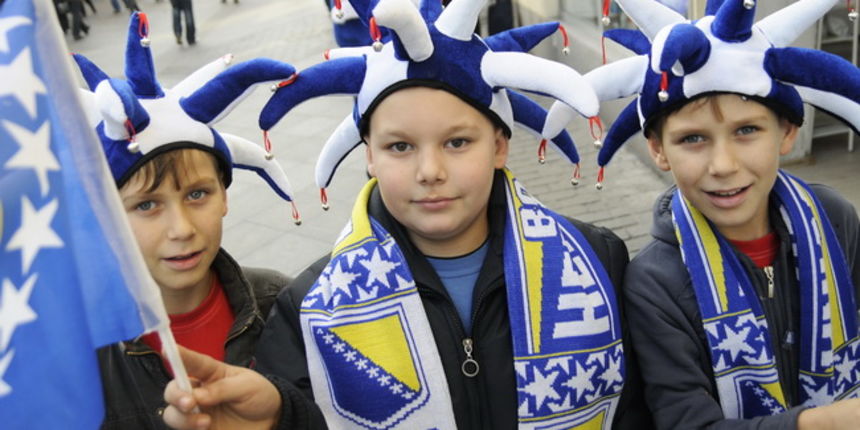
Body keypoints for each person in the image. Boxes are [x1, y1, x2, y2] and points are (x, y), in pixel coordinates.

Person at [163, 0, 654, 429]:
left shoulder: (596, 261)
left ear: (501, 145)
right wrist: (279, 418)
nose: (430, 171)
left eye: (457, 142)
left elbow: (633, 410)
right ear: (369, 155)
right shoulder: (312, 306)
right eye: (399, 146)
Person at [568, 0, 860, 428]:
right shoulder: (654, 282)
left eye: (746, 130)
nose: (722, 164)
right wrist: (826, 422)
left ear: (787, 132)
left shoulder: (834, 218)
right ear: (657, 149)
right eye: (693, 138)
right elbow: (685, 420)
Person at [72, 12, 301, 429]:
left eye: (197, 194)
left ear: (224, 194)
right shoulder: (81, 351)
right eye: (146, 205)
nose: (181, 229)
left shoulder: (282, 303)